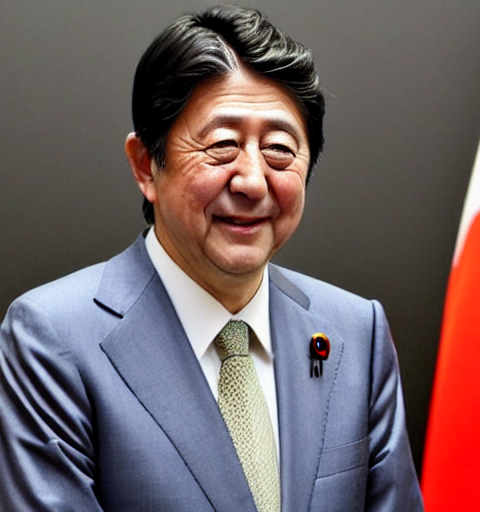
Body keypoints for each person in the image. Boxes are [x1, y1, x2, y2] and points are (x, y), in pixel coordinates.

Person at [0, 5, 423, 511]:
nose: (252, 181)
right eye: (222, 145)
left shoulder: (355, 332)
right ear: (146, 166)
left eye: (279, 149)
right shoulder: (53, 340)